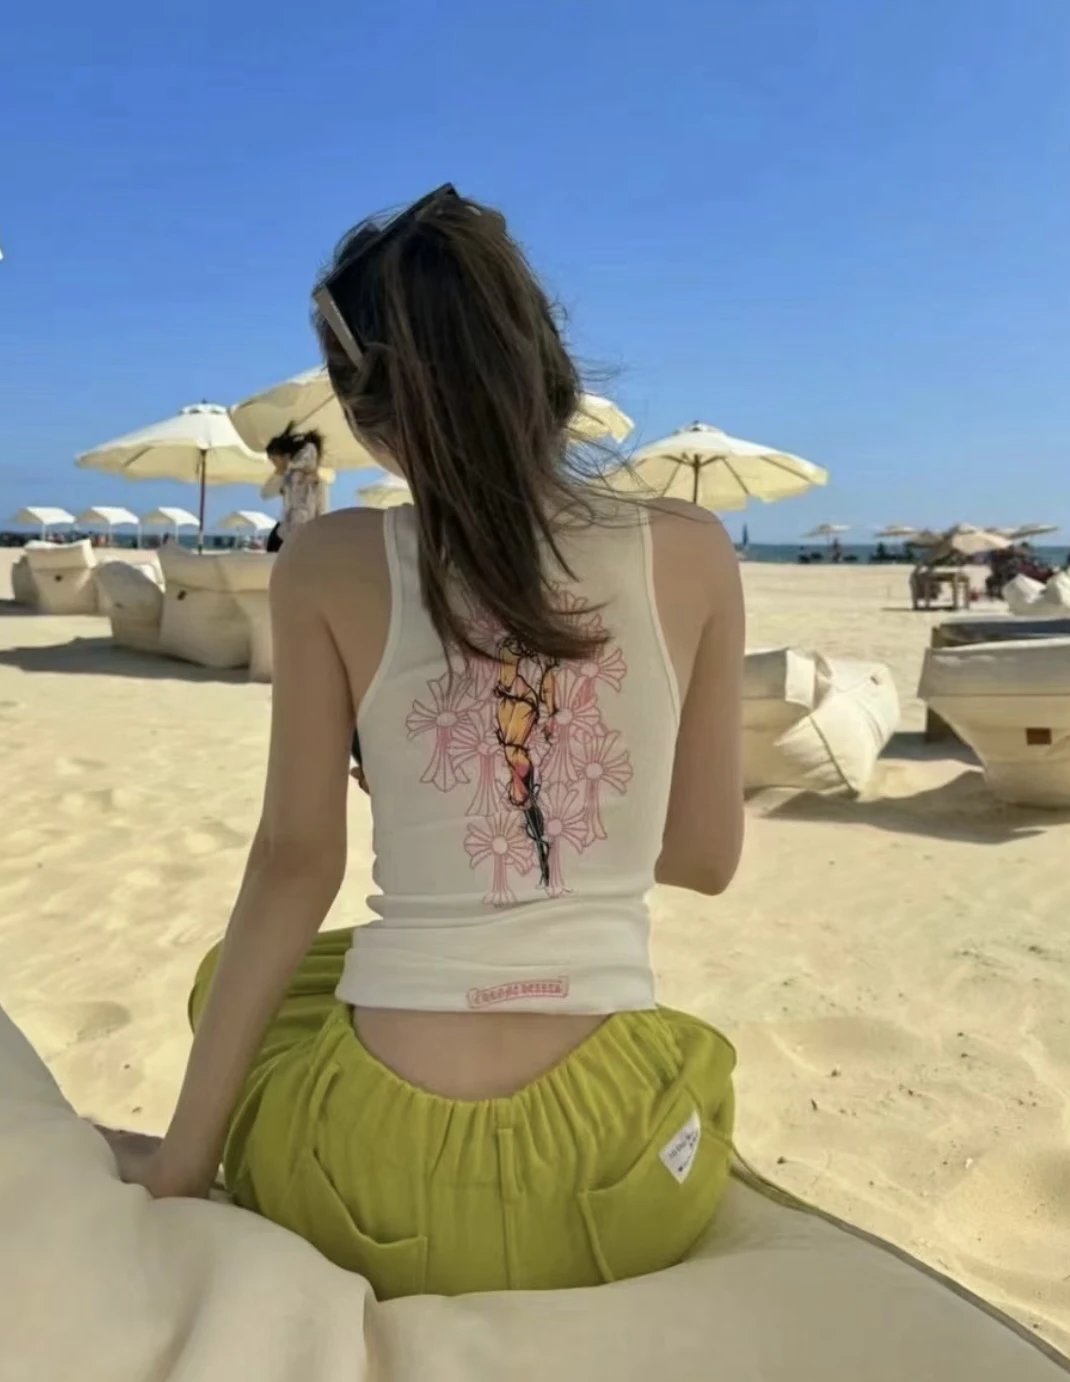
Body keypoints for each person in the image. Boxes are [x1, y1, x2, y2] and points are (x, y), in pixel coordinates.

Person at [109, 185, 744, 1300]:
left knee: (240, 982)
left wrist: (180, 1170)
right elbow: (702, 858)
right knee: (688, 1057)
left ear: (368, 418)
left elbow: (295, 865)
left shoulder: (328, 562)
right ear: (550, 367)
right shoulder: (693, 549)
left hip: (371, 1173)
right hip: (619, 1179)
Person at [263, 427, 326, 552]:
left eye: (274, 459)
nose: (274, 464)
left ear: (286, 456)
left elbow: (321, 512)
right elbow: (265, 494)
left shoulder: (316, 482)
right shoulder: (285, 478)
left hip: (301, 535)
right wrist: (279, 473)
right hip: (286, 533)